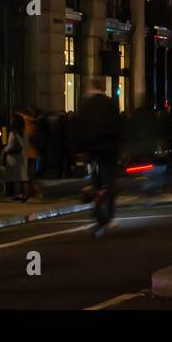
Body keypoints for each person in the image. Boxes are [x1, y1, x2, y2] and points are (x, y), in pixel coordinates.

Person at [75, 77, 123, 236]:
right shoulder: (110, 103)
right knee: (109, 182)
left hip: (90, 149)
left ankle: (97, 209)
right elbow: (118, 126)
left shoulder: (84, 105)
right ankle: (107, 214)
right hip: (108, 148)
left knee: (94, 180)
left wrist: (80, 149)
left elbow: (78, 128)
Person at [0, 116, 30, 201]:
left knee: (16, 177)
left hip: (14, 157)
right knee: (24, 177)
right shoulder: (25, 132)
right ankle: (26, 194)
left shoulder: (13, 133)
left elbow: (10, 145)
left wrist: (4, 150)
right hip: (23, 156)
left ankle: (18, 194)